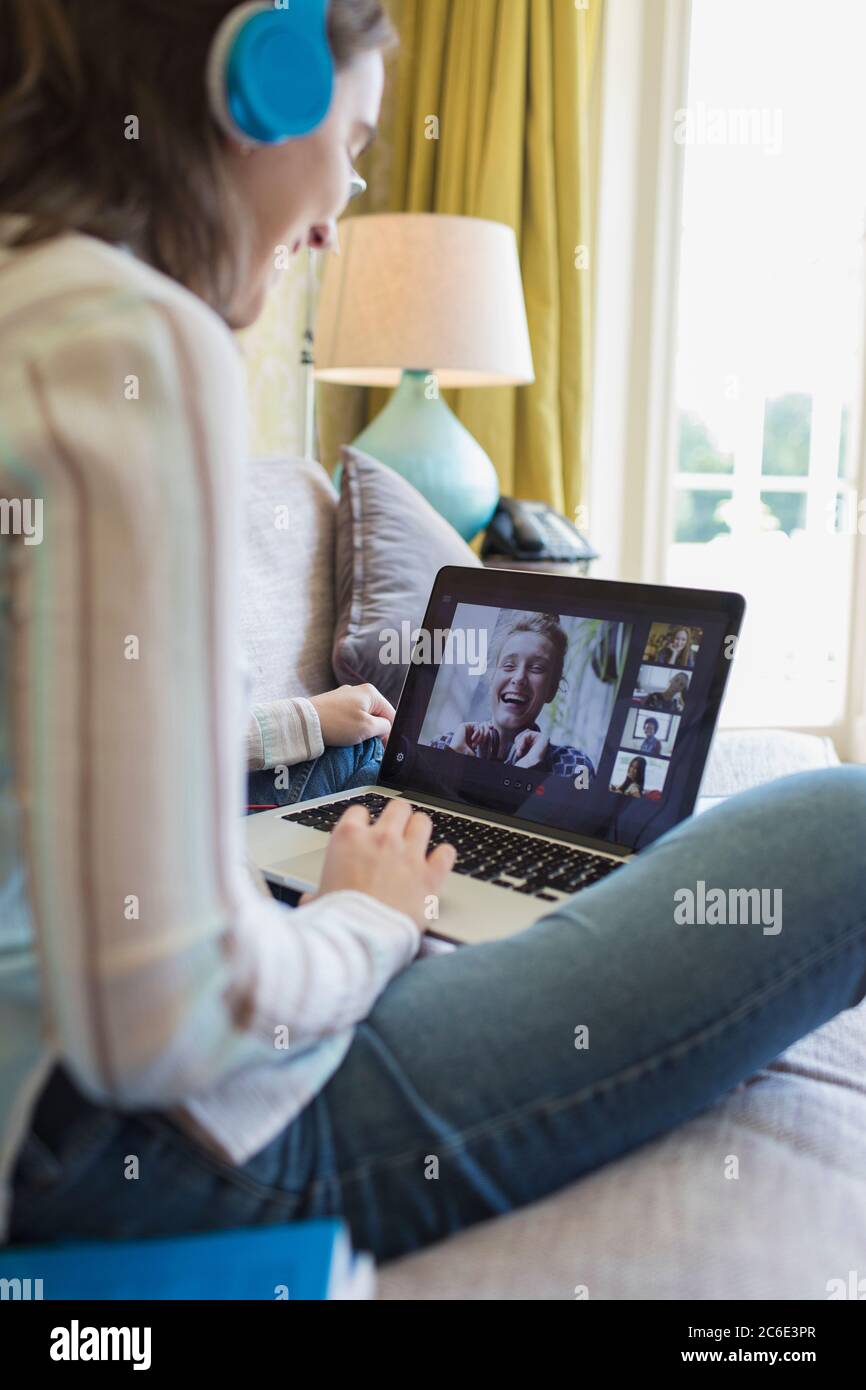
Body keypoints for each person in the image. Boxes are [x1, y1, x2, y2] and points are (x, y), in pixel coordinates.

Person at [2, 0, 865, 1266]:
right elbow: (161, 1018)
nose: (338, 207)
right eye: (351, 140)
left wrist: (307, 758)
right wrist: (365, 920)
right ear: (265, 79)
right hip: (158, 1143)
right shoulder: (118, 336)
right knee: (843, 817)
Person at [429, 613, 596, 781]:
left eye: (537, 668)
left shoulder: (574, 767)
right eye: (509, 665)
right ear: (492, 677)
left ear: (552, 689)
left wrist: (528, 773)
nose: (519, 678)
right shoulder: (445, 745)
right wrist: (454, 764)